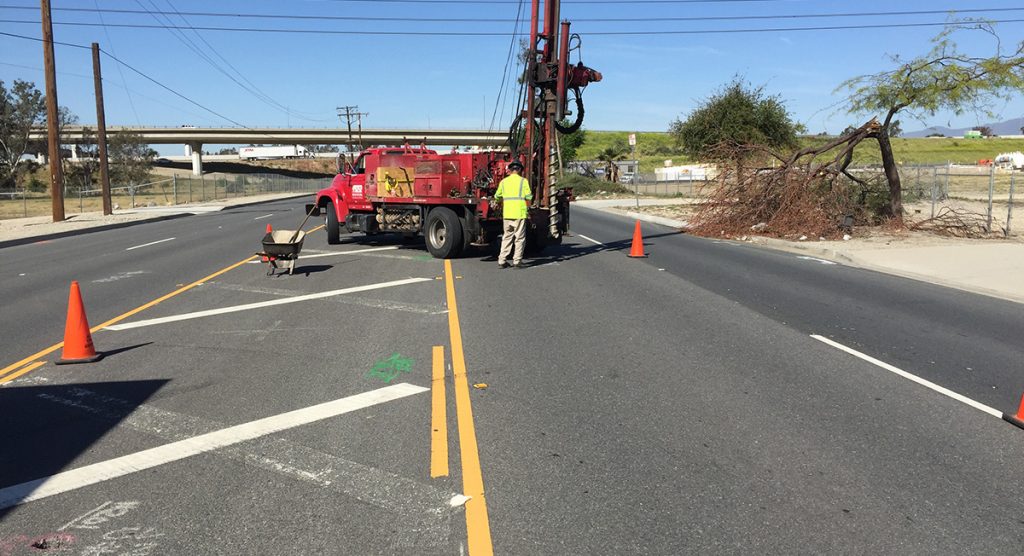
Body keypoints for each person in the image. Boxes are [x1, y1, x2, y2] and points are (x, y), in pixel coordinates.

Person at [494, 160, 532, 268]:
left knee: (507, 237)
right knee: (519, 238)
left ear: (510, 170)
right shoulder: (523, 181)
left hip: (507, 213)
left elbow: (497, 196)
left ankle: (502, 261)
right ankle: (517, 261)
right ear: (519, 170)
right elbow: (529, 196)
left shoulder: (504, 182)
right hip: (519, 213)